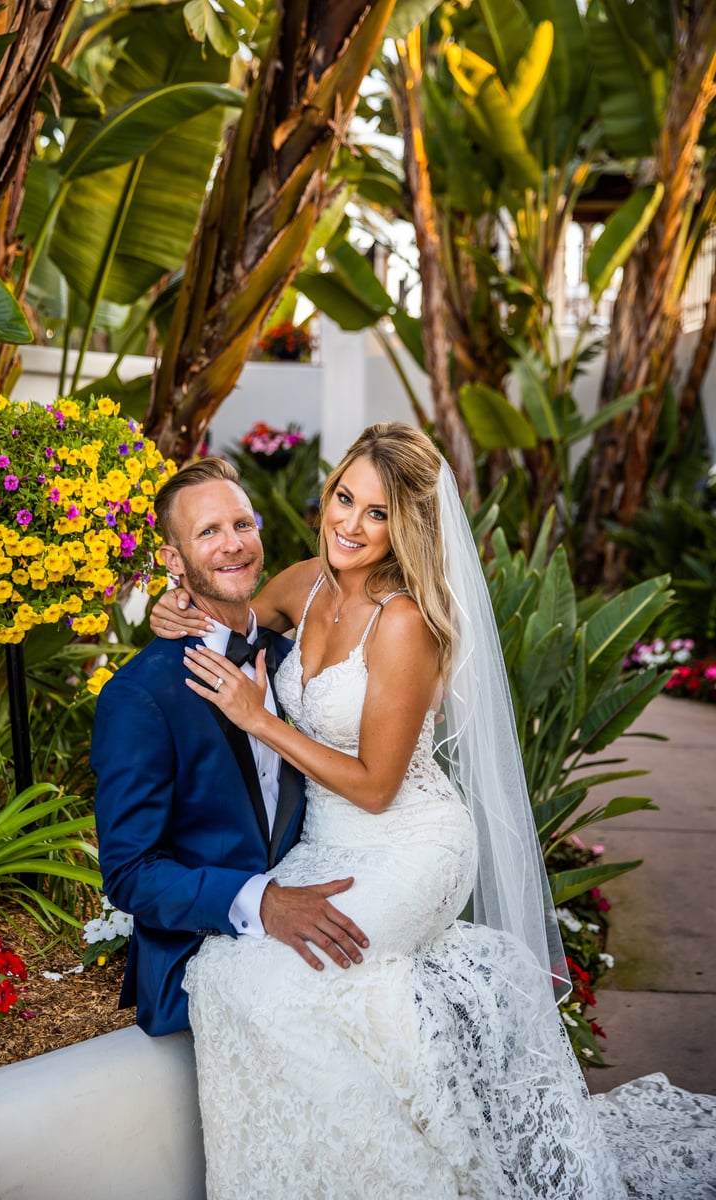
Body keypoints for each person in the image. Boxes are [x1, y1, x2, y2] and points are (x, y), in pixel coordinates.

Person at [150, 423, 716, 1199]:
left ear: (405, 525)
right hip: (322, 843)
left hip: (409, 843)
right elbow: (239, 617)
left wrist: (262, 720)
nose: (350, 524)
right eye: (344, 497)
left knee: (277, 982)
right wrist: (173, 602)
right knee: (223, 972)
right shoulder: (303, 583)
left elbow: (377, 786)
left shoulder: (404, 621)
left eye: (376, 513)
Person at [90, 457, 370, 1038]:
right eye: (208, 532)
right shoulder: (140, 695)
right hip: (201, 951)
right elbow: (130, 872)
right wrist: (262, 902)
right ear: (173, 561)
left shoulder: (293, 662)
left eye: (242, 524)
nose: (233, 544)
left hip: (318, 910)